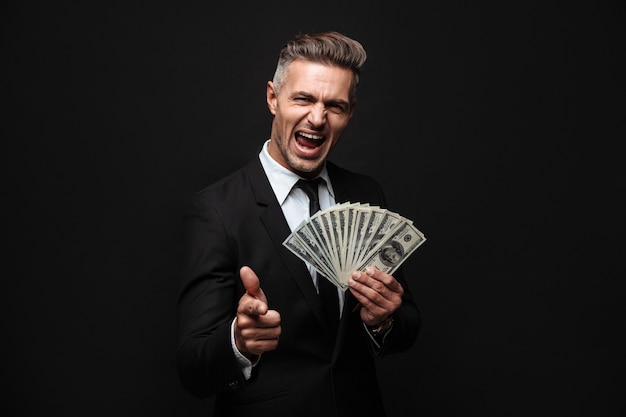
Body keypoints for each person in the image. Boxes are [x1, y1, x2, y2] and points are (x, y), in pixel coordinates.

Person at [177, 31, 421, 417]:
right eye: (303, 99)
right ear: (273, 98)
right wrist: (238, 343)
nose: (318, 118)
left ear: (350, 112)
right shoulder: (217, 209)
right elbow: (193, 366)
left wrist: (385, 318)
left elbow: (407, 323)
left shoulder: (366, 193)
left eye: (335, 106)